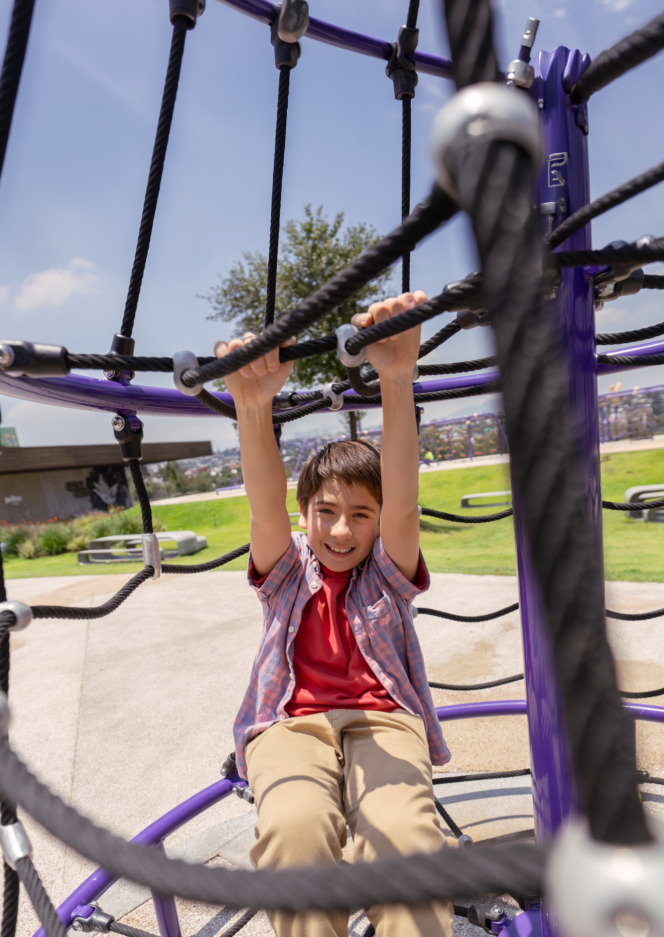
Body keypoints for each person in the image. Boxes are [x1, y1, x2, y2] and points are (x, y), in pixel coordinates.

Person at [216, 291, 452, 937]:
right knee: (294, 835)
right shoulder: (289, 571)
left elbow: (404, 505)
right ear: (307, 517)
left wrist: (397, 381)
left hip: (382, 721)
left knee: (403, 841)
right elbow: (264, 511)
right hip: (292, 724)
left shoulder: (385, 575)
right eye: (326, 512)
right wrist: (253, 406)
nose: (341, 530)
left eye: (360, 515)